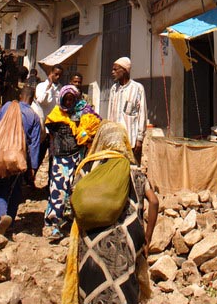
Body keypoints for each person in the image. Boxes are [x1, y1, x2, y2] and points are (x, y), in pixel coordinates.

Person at [62, 121, 159, 304]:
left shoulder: (87, 170)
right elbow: (154, 201)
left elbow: (72, 204)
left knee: (91, 287)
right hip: (127, 241)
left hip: (92, 241)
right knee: (125, 287)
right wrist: (147, 238)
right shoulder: (135, 171)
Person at [0, 86, 42, 235]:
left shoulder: (7, 106)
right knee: (15, 188)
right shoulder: (33, 116)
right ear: (32, 99)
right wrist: (33, 167)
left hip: (0, 152)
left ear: (20, 96)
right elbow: (34, 145)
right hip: (18, 156)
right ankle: (10, 222)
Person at [43, 85, 85, 240]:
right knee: (58, 190)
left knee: (75, 190)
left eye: (71, 99)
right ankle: (53, 223)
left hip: (77, 157)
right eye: (66, 99)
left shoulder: (81, 115)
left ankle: (73, 223)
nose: (68, 102)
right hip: (61, 159)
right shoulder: (55, 115)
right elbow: (51, 137)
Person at [107, 56, 147, 163]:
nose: (112, 72)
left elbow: (142, 114)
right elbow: (110, 114)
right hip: (116, 140)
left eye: (115, 69)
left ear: (124, 70)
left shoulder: (138, 88)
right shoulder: (113, 89)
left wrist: (139, 139)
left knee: (132, 170)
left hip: (132, 140)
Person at [32, 65, 63, 170]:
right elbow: (41, 101)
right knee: (38, 156)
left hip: (53, 129)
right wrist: (48, 88)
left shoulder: (60, 89)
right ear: (51, 73)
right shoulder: (41, 86)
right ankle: (30, 180)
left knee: (52, 157)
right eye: (56, 74)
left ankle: (50, 183)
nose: (58, 77)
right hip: (41, 127)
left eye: (60, 75)